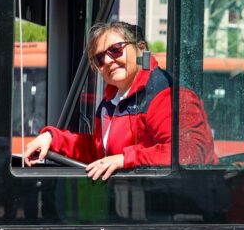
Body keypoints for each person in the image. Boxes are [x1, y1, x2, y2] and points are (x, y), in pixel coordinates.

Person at [23, 21, 217, 179]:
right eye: (99, 58)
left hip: (181, 212)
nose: (107, 61)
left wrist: (124, 159)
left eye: (115, 50)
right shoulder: (110, 104)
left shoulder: (168, 94)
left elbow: (190, 154)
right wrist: (52, 138)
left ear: (141, 49)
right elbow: (98, 151)